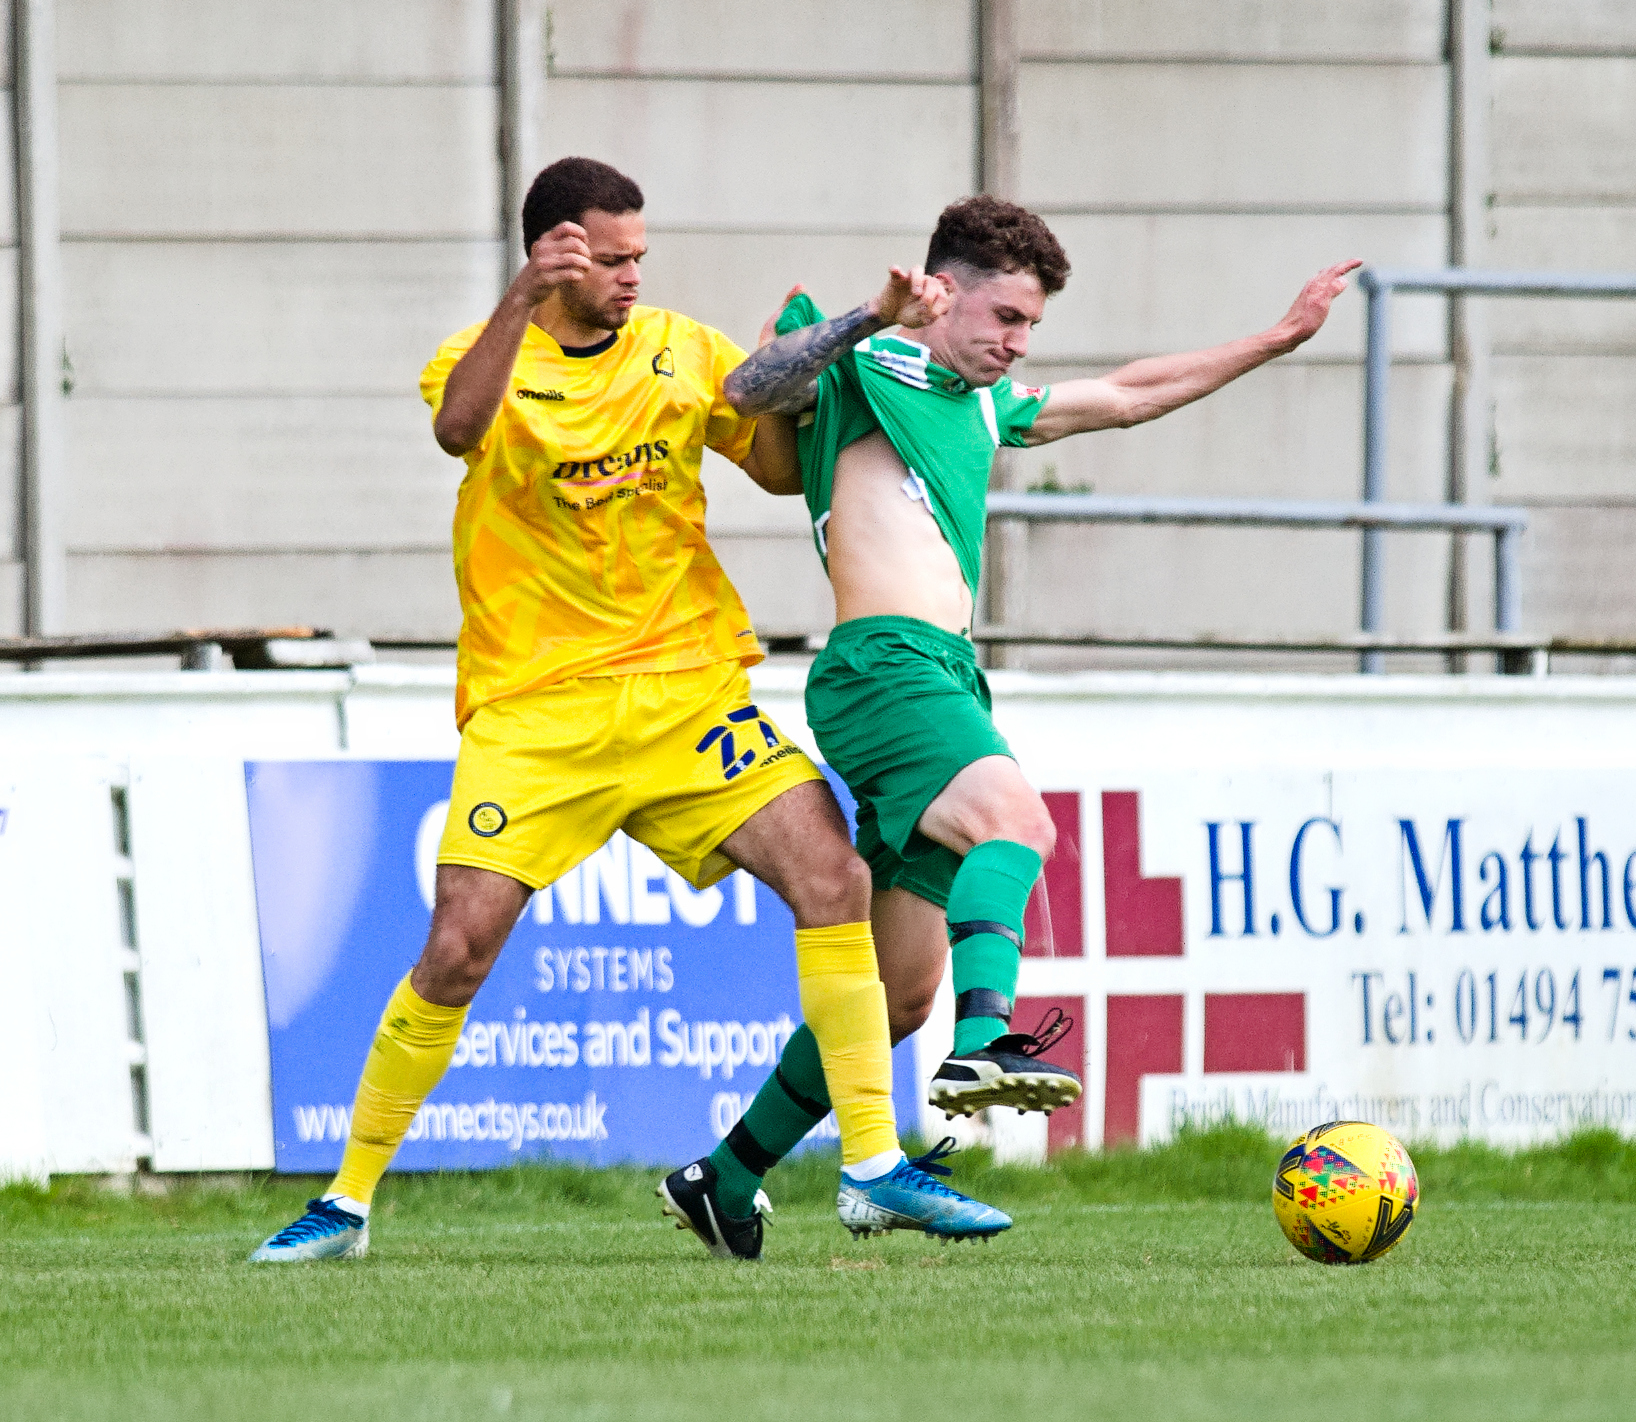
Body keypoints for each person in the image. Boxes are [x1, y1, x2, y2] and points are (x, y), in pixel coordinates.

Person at [248, 158, 1008, 1266]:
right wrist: (516, 299)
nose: (631, 277)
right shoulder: (483, 359)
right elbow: (459, 431)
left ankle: (869, 1165)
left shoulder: (682, 349)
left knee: (832, 874)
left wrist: (851, 351)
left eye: (639, 256)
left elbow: (766, 445)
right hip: (536, 710)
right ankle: (346, 1203)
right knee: (456, 949)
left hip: (684, 695)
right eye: (610, 259)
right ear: (554, 253)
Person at [704, 195, 1359, 1200]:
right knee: (1017, 822)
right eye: (1004, 318)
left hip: (940, 675)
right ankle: (986, 1044)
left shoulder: (982, 404)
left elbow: (1130, 393)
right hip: (884, 665)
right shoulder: (864, 363)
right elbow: (749, 391)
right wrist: (869, 315)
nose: (1016, 343)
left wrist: (1276, 338)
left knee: (893, 995)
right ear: (945, 292)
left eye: (1031, 327)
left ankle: (725, 1172)